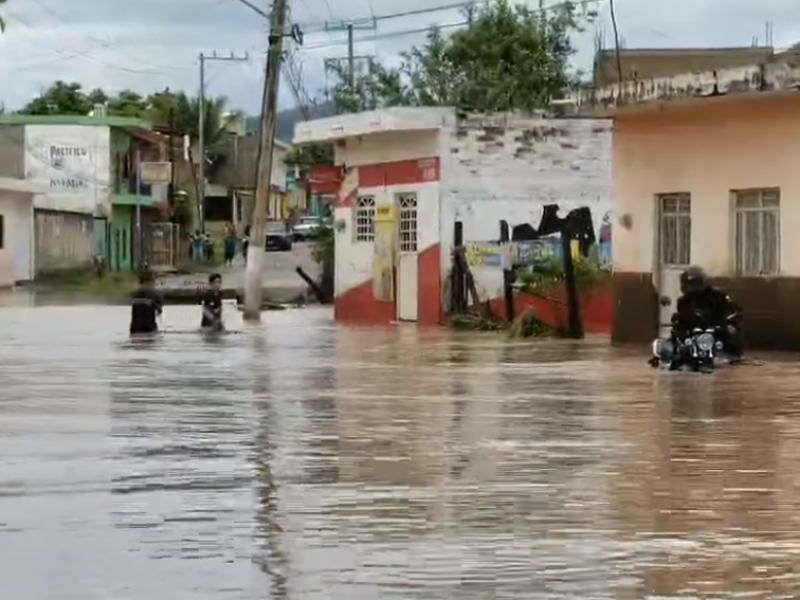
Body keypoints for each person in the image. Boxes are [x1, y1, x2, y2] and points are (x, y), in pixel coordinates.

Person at [670, 265, 743, 359]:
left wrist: (730, 325)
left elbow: (735, 311)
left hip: (717, 332)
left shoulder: (717, 296)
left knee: (731, 345)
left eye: (694, 283)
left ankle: (731, 356)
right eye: (689, 283)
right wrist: (679, 330)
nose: (692, 287)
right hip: (694, 335)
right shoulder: (683, 301)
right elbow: (682, 319)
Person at [129, 270, 163, 335]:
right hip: (147, 329)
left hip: (137, 329)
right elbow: (159, 311)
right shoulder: (154, 295)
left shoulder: (134, 295)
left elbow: (159, 310)